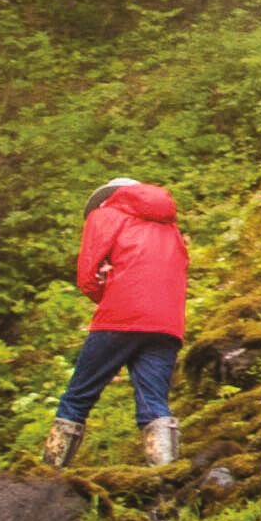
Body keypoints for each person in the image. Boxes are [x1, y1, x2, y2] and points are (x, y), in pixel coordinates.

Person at [59, 174, 190, 468]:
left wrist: (108, 289)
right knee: (154, 402)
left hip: (121, 316)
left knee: (78, 396)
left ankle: (47, 472)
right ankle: (166, 480)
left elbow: (87, 277)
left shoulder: (105, 216)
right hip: (167, 323)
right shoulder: (170, 228)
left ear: (108, 197)